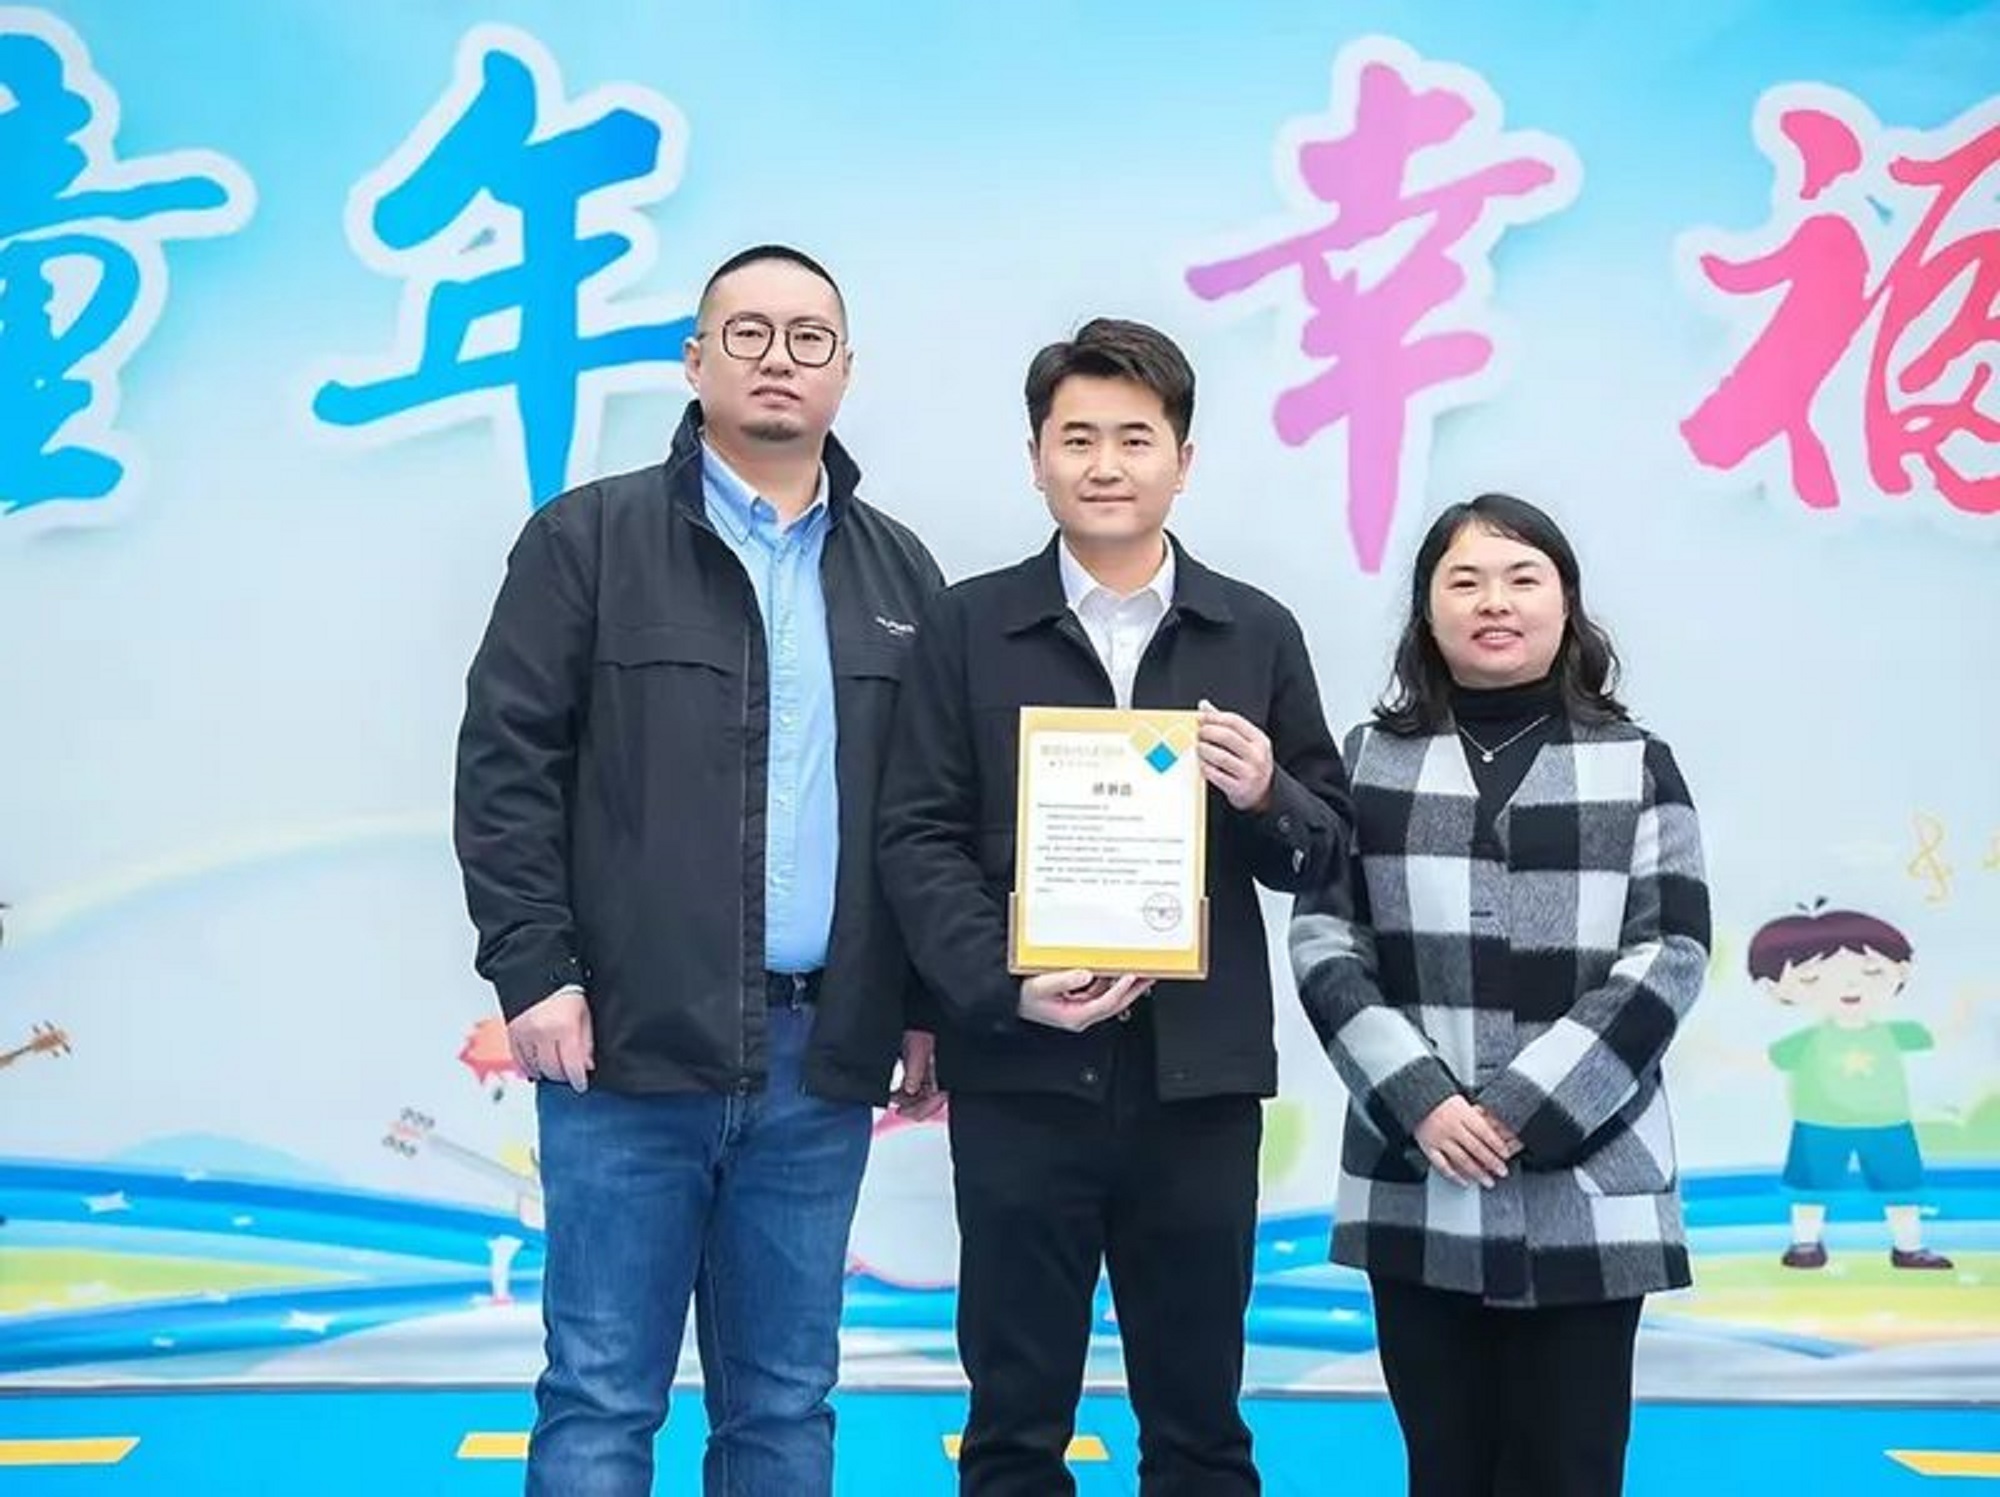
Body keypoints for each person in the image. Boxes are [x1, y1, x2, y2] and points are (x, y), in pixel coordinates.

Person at [454, 243, 946, 1497]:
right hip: (624, 1048)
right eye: (747, 333)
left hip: (819, 1063)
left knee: (784, 1405)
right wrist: (534, 971)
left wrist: (922, 1004)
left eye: (807, 337)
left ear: (844, 370)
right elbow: (506, 768)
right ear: (693, 360)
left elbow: (925, 814)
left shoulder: (898, 575)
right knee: (599, 1397)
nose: (779, 359)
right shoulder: (587, 541)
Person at [877, 317, 1351, 1495]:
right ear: (1034, 459)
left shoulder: (1253, 630)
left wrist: (1268, 792)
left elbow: (1323, 851)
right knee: (1011, 1423)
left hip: (1197, 1086)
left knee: (1198, 1425)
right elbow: (916, 835)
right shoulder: (966, 625)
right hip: (1021, 1079)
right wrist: (1002, 985)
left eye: (1134, 439)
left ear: (1181, 462)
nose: (1103, 465)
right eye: (1075, 438)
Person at [1289, 492, 1711, 1497]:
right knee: (1444, 1468)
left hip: (1591, 1188)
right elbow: (1324, 941)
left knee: (1570, 1470)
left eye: (1523, 578)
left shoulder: (1633, 763)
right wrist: (1424, 1100)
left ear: (1565, 604)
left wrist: (1521, 1107)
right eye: (1465, 580)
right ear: (1426, 609)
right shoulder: (1369, 760)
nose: (1495, 602)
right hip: (1418, 1177)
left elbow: (1671, 952)